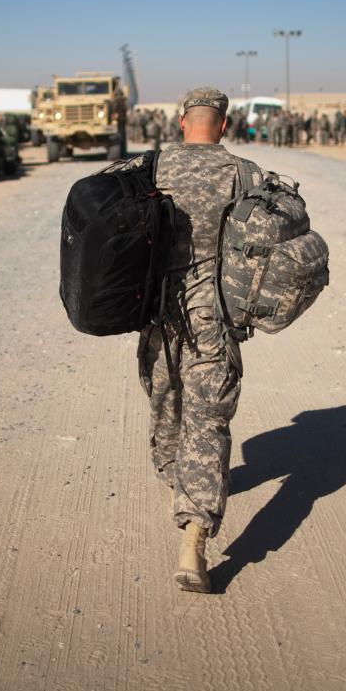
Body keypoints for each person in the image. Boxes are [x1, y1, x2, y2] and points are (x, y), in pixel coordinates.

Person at [133, 86, 251, 594]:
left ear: (183, 123)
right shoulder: (244, 174)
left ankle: (176, 484)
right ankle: (193, 540)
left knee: (167, 406)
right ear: (223, 125)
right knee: (208, 419)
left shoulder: (152, 169)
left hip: (159, 317)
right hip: (214, 322)